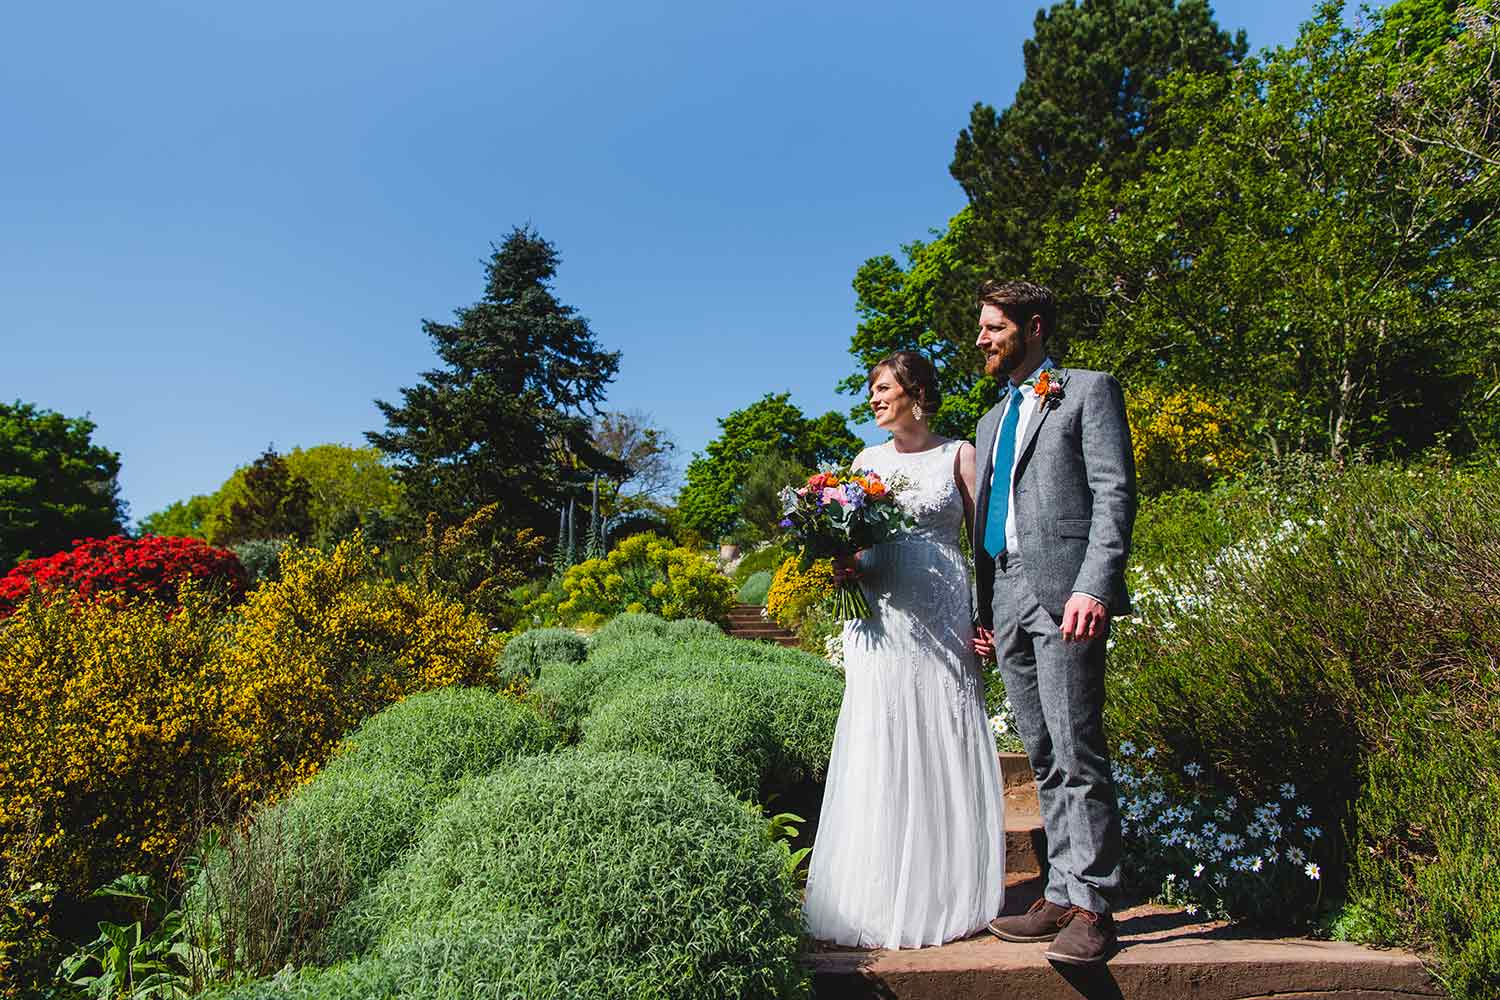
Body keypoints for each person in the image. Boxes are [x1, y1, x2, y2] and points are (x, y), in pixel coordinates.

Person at [802, 351, 1006, 949]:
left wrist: (988, 615)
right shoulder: (865, 462)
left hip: (943, 614)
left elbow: (987, 543)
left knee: (943, 730)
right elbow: (855, 539)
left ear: (915, 393)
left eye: (883, 388)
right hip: (879, 618)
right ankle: (874, 890)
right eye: (871, 391)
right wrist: (841, 561)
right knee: (879, 734)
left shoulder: (959, 455)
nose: (873, 399)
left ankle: (945, 890)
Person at [969, 280, 1136, 965]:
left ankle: (1095, 909)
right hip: (1004, 593)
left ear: (1032, 327)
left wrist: (1094, 585)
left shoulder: (1087, 390)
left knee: (1076, 747)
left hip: (1065, 593)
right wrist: (982, 610)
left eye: (992, 327)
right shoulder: (988, 421)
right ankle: (1062, 891)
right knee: (1041, 755)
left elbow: (1113, 491)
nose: (980, 339)